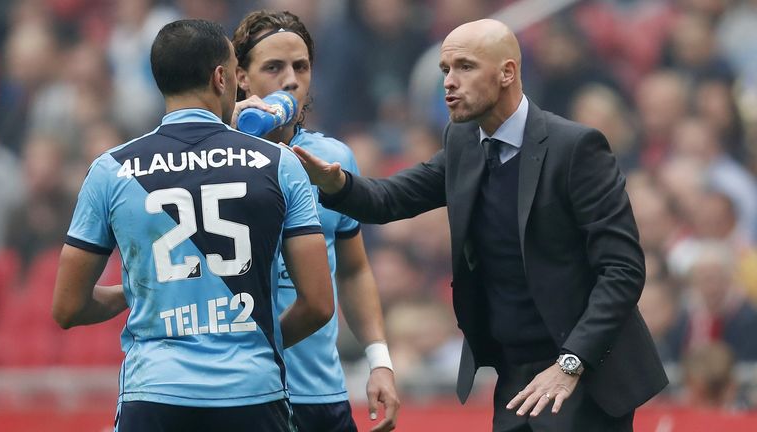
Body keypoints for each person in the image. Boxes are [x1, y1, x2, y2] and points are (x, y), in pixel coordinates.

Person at [293, 19, 668, 431]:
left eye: (465, 67)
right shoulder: (464, 143)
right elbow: (389, 199)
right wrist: (335, 182)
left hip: (583, 378)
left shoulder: (575, 148)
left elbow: (623, 269)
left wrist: (571, 363)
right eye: (445, 70)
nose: (449, 83)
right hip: (514, 377)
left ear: (507, 72)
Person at [52, 19, 334, 431]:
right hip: (252, 391)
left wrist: (127, 294)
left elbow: (67, 308)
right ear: (222, 78)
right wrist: (257, 340)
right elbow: (320, 304)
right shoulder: (279, 164)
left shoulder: (111, 170)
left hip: (154, 392)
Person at [230, 10, 399, 432]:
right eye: (274, 67)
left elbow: (355, 269)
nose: (291, 80)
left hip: (320, 396)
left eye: (300, 67)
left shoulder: (333, 160)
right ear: (241, 78)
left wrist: (379, 361)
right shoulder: (211, 161)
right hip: (237, 395)